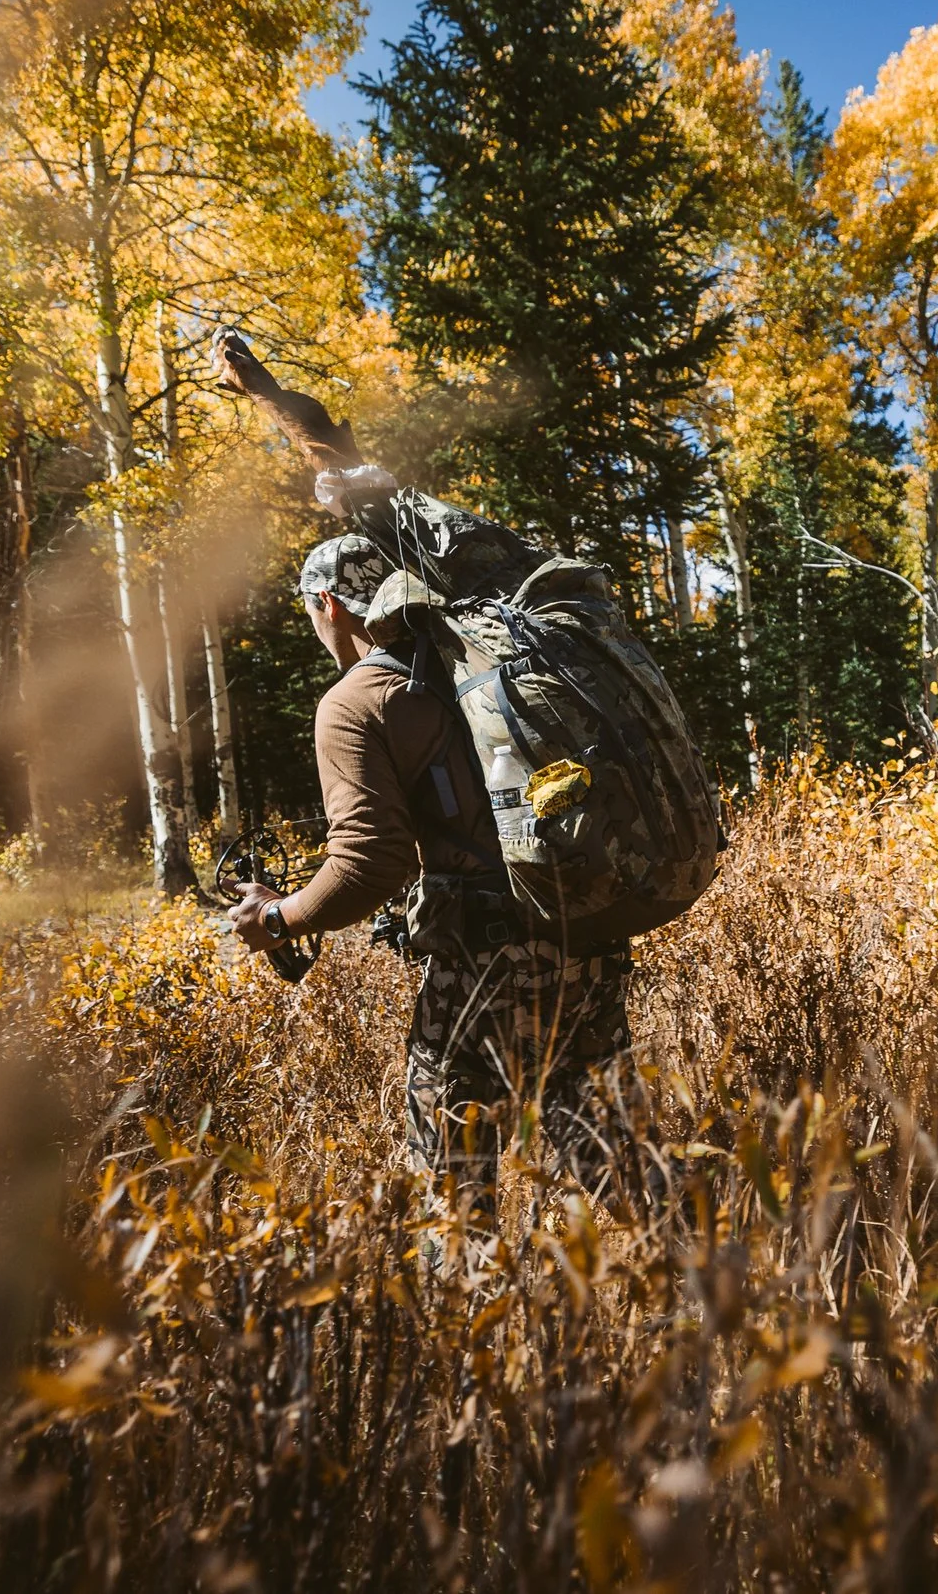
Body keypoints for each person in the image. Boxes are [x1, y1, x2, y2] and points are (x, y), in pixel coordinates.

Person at [214, 342, 650, 1231]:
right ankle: (707, 1295)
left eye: (311, 614)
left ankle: (469, 1335)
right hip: (585, 926)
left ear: (331, 606)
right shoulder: (466, 652)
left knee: (449, 1173)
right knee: (608, 1150)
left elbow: (369, 865)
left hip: (487, 962)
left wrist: (276, 917)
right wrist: (268, 394)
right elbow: (349, 458)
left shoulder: (354, 702)